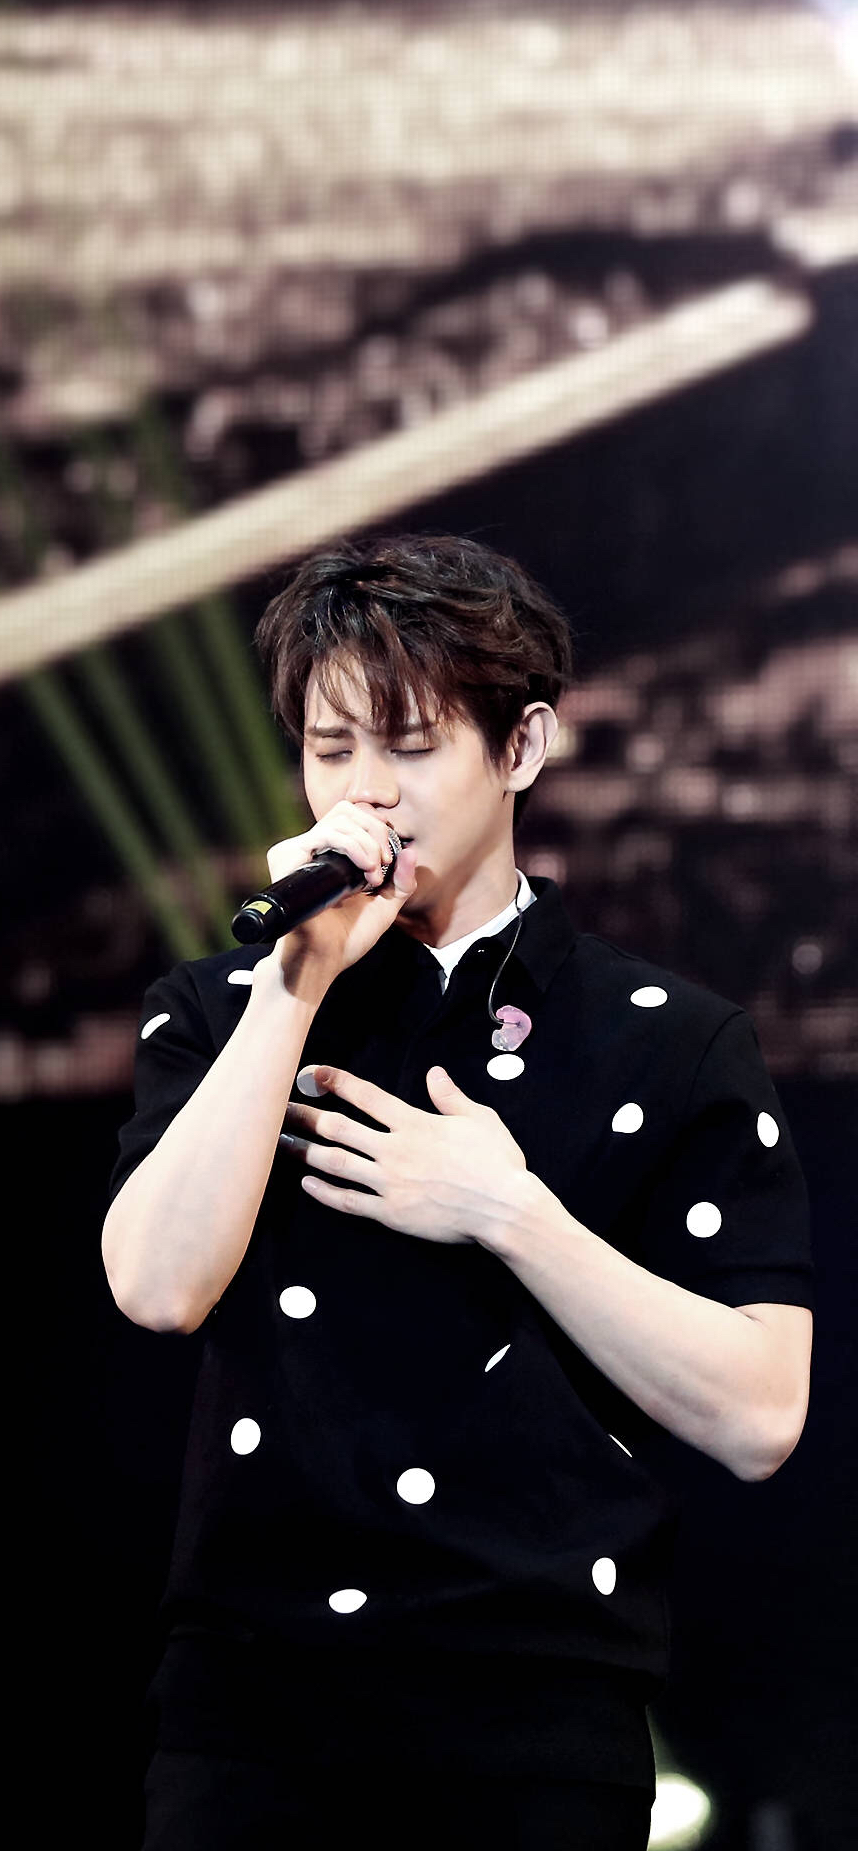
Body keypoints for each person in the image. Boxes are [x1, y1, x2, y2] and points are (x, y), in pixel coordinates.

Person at [102, 535, 814, 1851]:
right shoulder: (220, 1010)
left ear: (522, 747)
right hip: (253, 1708)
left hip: (537, 1715)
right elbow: (155, 1285)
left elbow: (763, 1412)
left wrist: (510, 1213)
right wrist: (293, 988)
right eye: (330, 749)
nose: (364, 793)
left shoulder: (669, 1040)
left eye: (412, 746)